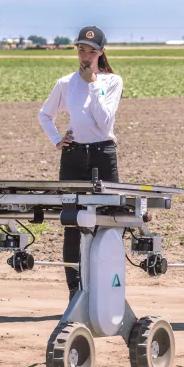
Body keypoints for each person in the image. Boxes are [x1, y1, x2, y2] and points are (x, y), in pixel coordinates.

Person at [38, 25, 124, 299]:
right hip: (74, 156)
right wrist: (57, 139)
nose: (85, 56)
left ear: (101, 52)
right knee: (72, 224)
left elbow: (105, 122)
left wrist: (93, 84)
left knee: (108, 221)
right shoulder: (65, 83)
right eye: (81, 50)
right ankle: (75, 291)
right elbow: (45, 115)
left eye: (91, 51)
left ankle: (103, 289)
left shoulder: (112, 82)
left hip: (102, 154)